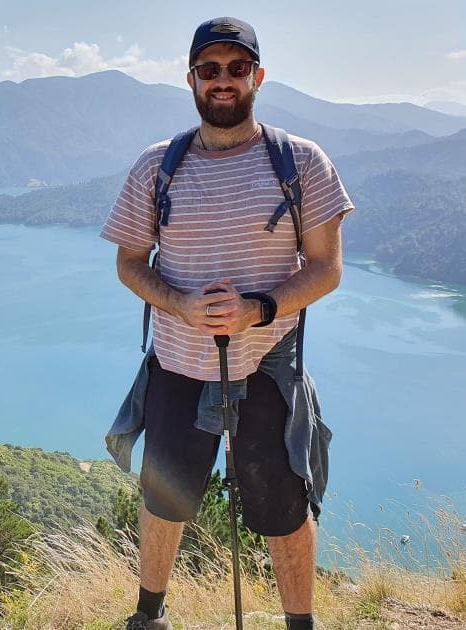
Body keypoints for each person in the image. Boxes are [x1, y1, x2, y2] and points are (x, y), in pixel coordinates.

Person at [99, 16, 354, 630]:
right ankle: (148, 618)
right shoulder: (157, 168)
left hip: (267, 365)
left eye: (237, 69)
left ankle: (300, 624)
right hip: (177, 364)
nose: (223, 81)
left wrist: (258, 309)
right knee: (165, 501)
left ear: (257, 77)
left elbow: (327, 269)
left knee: (283, 506)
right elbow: (129, 264)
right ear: (191, 79)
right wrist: (182, 306)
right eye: (209, 70)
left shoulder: (301, 164)